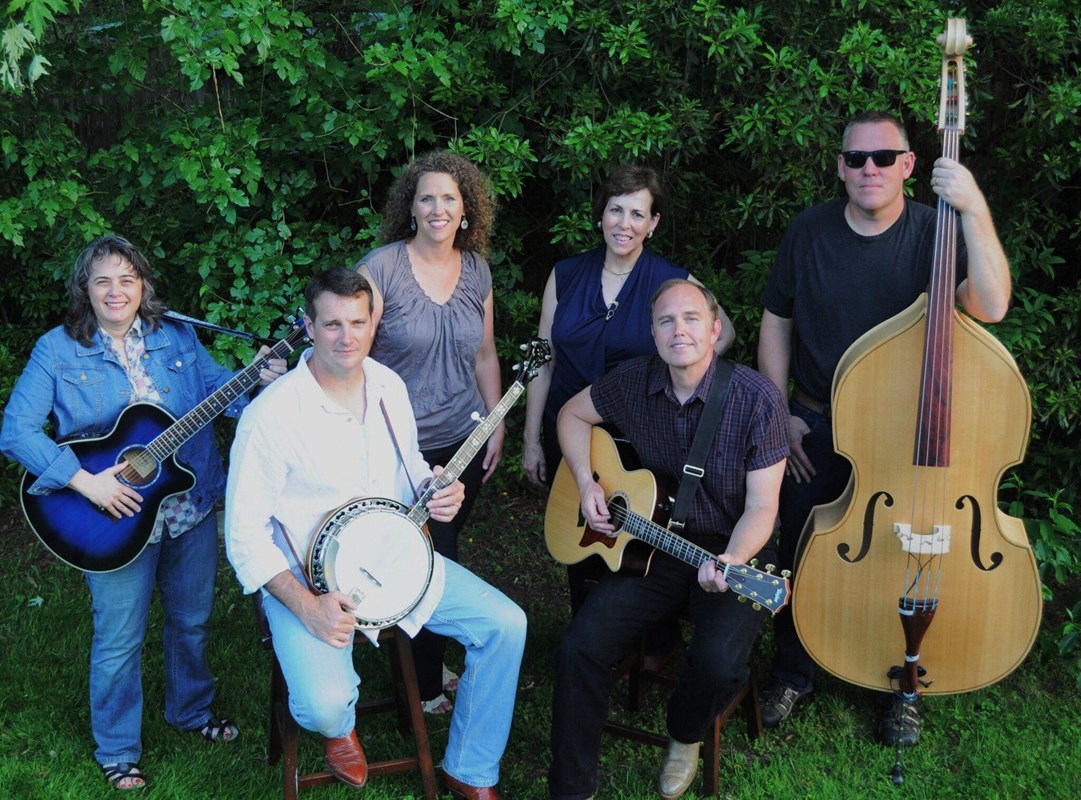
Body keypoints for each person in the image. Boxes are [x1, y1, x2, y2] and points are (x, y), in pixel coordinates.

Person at [757, 111, 1012, 747]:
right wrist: (780, 410)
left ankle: (905, 680)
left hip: (910, 440)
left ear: (909, 165)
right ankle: (795, 668)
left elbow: (992, 305)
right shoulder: (810, 231)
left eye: (882, 156)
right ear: (839, 166)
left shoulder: (938, 231)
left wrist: (974, 206)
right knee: (801, 549)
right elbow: (774, 321)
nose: (868, 168)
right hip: (815, 421)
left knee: (906, 555)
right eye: (854, 159)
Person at [224, 268, 526, 800]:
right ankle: (339, 726)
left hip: (391, 559)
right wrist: (304, 605)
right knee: (322, 703)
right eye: (332, 324)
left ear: (372, 324)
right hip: (308, 579)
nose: (347, 337)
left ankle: (470, 769)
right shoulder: (271, 415)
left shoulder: (387, 385)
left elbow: (409, 465)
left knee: (505, 624)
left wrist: (436, 489)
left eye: (358, 322)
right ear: (310, 327)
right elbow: (244, 535)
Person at [0, 235, 287, 790]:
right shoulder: (56, 351)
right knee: (118, 637)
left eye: (127, 279)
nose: (115, 290)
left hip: (188, 504)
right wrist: (85, 483)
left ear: (143, 286)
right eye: (103, 279)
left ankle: (190, 711)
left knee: (192, 619)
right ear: (85, 287)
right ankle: (117, 748)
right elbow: (15, 431)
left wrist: (257, 380)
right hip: (108, 515)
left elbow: (223, 397)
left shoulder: (175, 335)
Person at [548, 279, 788, 800]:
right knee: (579, 648)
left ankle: (684, 736)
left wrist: (732, 559)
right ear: (653, 333)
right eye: (666, 321)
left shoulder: (757, 400)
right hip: (652, 545)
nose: (679, 329)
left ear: (714, 329)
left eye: (692, 318)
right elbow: (570, 413)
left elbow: (763, 506)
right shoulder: (633, 381)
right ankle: (572, 788)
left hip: (731, 548)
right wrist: (588, 480)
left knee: (719, 662)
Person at [522, 164, 736, 623]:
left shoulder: (670, 280)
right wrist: (531, 439)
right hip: (571, 426)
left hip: (640, 436)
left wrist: (676, 368)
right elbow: (544, 358)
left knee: (639, 541)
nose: (625, 224)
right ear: (601, 215)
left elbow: (722, 333)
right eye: (616, 210)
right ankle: (588, 632)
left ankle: (648, 638)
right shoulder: (565, 274)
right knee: (582, 531)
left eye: (638, 214)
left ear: (653, 223)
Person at [354, 151, 502, 715]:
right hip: (397, 445)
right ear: (409, 208)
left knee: (445, 551)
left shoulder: (478, 271)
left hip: (461, 440)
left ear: (466, 209)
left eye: (449, 198)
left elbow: (486, 354)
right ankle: (420, 688)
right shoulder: (382, 269)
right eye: (427, 198)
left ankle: (424, 664)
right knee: (419, 556)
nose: (438, 208)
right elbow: (352, 353)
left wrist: (496, 422)